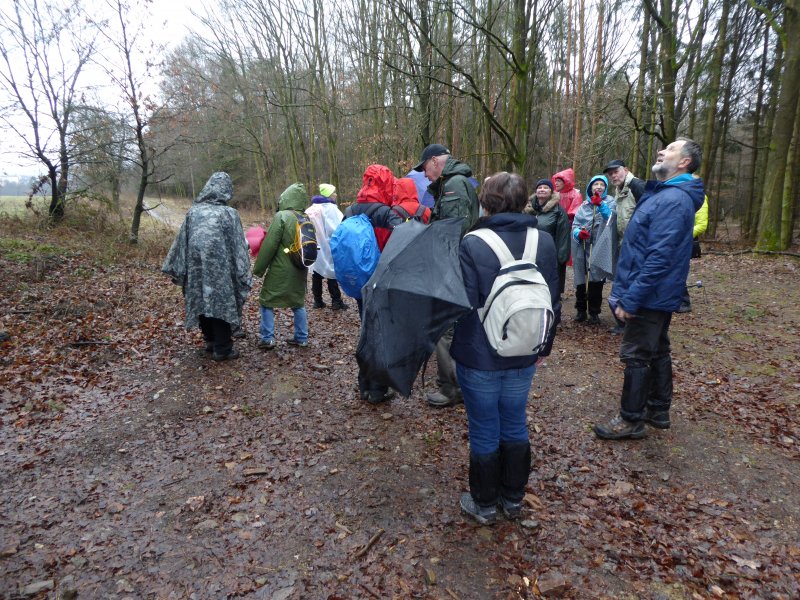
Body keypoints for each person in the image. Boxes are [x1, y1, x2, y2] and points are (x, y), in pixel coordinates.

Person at [451, 172, 561, 524]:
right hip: (526, 348)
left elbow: (464, 303)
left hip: (479, 353)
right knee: (514, 420)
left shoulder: (472, 242)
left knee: (484, 425)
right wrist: (543, 347)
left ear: (486, 201)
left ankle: (484, 504)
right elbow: (554, 300)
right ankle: (512, 498)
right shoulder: (542, 242)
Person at [594, 138, 705, 440]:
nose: (661, 151)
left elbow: (659, 256)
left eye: (670, 149)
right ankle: (657, 409)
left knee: (636, 354)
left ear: (684, 162)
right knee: (657, 348)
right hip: (653, 290)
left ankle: (631, 419)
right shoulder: (667, 194)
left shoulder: (674, 199)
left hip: (649, 292)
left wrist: (631, 298)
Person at [412, 143, 480, 408]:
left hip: (453, 268)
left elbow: (453, 232)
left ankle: (452, 387)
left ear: (434, 161)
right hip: (455, 266)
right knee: (453, 327)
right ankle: (458, 382)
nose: (425, 176)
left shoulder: (454, 184)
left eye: (425, 170)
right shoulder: (454, 183)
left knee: (445, 328)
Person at [162, 172, 252, 361]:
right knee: (221, 303)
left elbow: (181, 244)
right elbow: (238, 246)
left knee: (202, 299)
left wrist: (179, 267)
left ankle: (210, 341)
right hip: (222, 272)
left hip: (197, 270)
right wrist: (242, 269)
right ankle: (223, 348)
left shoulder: (193, 212)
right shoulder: (229, 214)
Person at [344, 164, 404, 404]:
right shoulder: (386, 213)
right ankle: (377, 388)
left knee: (366, 329)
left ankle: (364, 384)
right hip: (383, 279)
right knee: (381, 333)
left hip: (359, 279)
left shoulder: (350, 210)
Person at [253, 183, 311, 350]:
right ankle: (301, 337)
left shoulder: (282, 216)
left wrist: (258, 270)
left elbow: (270, 245)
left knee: (267, 301)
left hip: (281, 267)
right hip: (300, 267)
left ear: (285, 199)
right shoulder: (305, 217)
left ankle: (268, 338)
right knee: (297, 302)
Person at [603, 160, 645, 334]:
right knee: (623, 284)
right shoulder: (619, 189)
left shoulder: (637, 186)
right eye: (610, 173)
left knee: (629, 284)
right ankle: (626, 323)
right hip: (625, 244)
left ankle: (633, 325)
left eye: (616, 172)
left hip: (638, 246)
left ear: (626, 170)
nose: (613, 176)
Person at [571, 175, 614, 325]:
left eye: (602, 184)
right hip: (583, 246)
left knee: (596, 278)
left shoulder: (611, 202)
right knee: (581, 278)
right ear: (590, 187)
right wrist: (578, 233)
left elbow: (611, 220)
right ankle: (581, 309)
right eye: (596, 184)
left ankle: (594, 311)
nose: (599, 187)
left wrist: (601, 205)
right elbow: (575, 225)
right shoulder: (583, 206)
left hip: (600, 245)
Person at [306, 184, 347, 310]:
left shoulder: (311, 209)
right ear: (329, 194)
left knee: (317, 273)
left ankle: (318, 301)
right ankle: (336, 301)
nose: (336, 194)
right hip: (328, 244)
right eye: (334, 192)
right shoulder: (330, 209)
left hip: (314, 244)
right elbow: (336, 228)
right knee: (332, 272)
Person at [525, 178, 570, 294]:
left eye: (546, 187)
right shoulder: (528, 209)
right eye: (539, 187)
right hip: (530, 253)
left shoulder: (558, 211)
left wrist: (561, 257)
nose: (542, 190)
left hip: (549, 254)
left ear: (551, 192)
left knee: (548, 288)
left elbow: (564, 235)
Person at [676, 193, 709, 313]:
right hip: (674, 239)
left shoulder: (700, 198)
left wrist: (682, 235)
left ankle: (684, 302)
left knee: (678, 270)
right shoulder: (679, 196)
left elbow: (701, 225)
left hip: (685, 241)